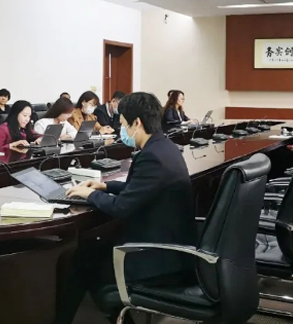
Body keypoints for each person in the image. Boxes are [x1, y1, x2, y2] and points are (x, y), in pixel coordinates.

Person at [59, 92, 197, 323]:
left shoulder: (152, 157)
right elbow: (142, 189)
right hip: (171, 245)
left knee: (82, 260)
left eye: (123, 124)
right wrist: (105, 186)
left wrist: (90, 194)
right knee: (89, 252)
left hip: (157, 257)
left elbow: (122, 208)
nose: (122, 129)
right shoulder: (165, 147)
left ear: (137, 123)